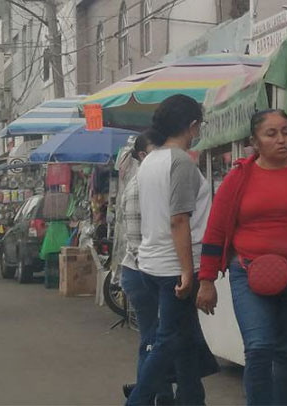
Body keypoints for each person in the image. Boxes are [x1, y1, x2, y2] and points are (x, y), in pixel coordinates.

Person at [196, 110, 287, 406]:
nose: (281, 139)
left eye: (286, 132)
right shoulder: (238, 178)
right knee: (259, 348)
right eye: (271, 134)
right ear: (255, 141)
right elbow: (215, 230)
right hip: (247, 274)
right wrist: (206, 280)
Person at [126, 95, 213, 406]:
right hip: (173, 267)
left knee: (184, 341)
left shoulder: (150, 160)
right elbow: (179, 220)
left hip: (152, 263)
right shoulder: (180, 162)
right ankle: (137, 400)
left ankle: (192, 400)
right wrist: (188, 271)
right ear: (191, 126)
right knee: (166, 342)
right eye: (198, 125)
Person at [115, 134, 176, 405]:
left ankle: (159, 395)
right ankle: (145, 397)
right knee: (154, 339)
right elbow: (136, 241)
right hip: (143, 274)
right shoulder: (139, 185)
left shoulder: (154, 181)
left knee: (158, 338)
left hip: (151, 271)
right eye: (155, 150)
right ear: (141, 155)